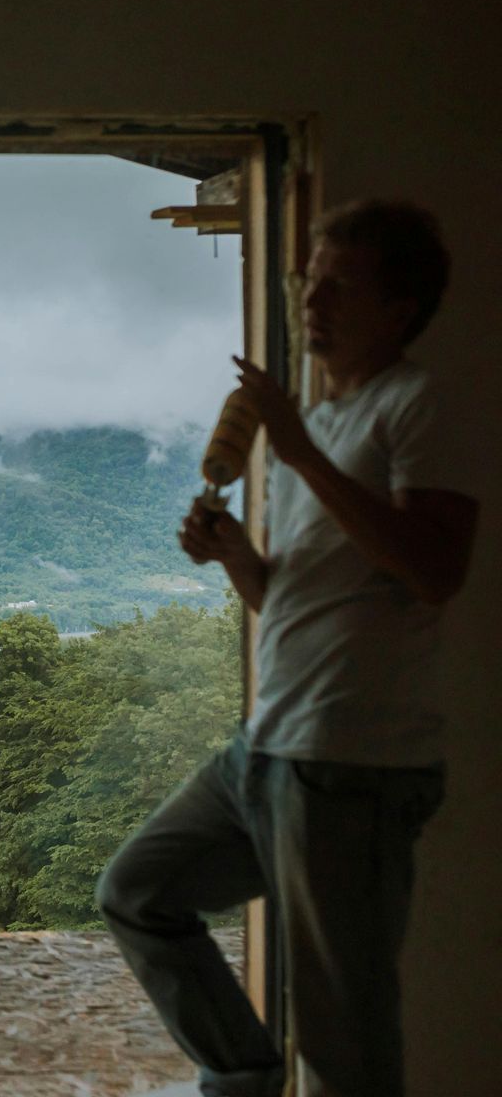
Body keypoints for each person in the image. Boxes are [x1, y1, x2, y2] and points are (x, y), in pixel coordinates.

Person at [98, 201, 480, 1097]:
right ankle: (243, 1079)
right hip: (268, 752)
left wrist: (300, 449)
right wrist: (238, 557)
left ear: (399, 308)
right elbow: (297, 601)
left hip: (353, 764)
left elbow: (434, 571)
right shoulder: (320, 428)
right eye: (310, 282)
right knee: (137, 894)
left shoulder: (417, 405)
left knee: (345, 1038)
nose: (313, 303)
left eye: (338, 287)